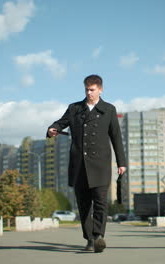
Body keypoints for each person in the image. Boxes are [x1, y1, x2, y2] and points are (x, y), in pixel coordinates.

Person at [47, 74, 126, 253]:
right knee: (84, 206)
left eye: (92, 90)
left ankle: (98, 236)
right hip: (79, 165)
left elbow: (116, 138)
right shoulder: (74, 108)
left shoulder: (109, 109)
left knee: (100, 203)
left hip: (100, 165)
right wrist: (53, 129)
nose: (89, 93)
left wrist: (122, 162)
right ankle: (89, 239)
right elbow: (61, 123)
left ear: (100, 89)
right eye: (86, 89)